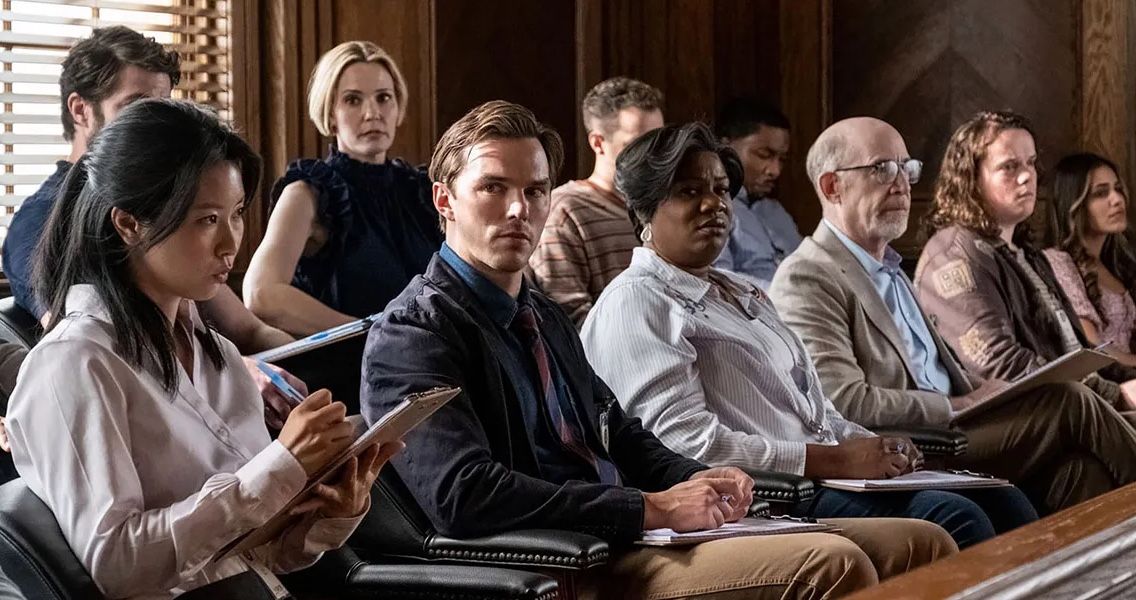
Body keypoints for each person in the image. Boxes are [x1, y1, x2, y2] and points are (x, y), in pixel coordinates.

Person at [362, 100, 956, 599]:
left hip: (626, 533)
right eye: (494, 188)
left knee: (923, 542)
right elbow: (465, 495)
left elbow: (622, 432)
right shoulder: (415, 334)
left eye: (536, 190)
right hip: (565, 560)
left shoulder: (539, 312)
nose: (520, 209)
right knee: (831, 563)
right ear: (445, 201)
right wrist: (649, 509)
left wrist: (707, 483)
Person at [6, 98, 399, 599]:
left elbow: (255, 553)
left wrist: (330, 514)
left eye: (235, 214)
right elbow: (117, 563)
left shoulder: (221, 358)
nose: (231, 243)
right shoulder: (76, 363)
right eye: (206, 220)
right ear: (129, 224)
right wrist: (277, 467)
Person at [582, 122, 1036, 548]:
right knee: (954, 517)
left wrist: (873, 446)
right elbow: (686, 447)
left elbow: (816, 413)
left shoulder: (740, 292)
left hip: (817, 480)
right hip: (762, 498)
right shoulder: (636, 302)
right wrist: (833, 460)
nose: (714, 205)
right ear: (644, 208)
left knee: (1006, 500)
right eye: (689, 192)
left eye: (721, 190)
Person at [768, 117, 1136, 514]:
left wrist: (990, 391)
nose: (902, 184)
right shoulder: (808, 275)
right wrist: (957, 404)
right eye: (882, 168)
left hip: (961, 425)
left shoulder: (890, 270)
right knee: (1069, 401)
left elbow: (940, 371)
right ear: (832, 186)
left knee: (1081, 473)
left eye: (907, 168)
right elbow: (844, 402)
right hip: (911, 444)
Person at [0, 25, 303, 430]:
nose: (159, 125)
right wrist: (237, 380)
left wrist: (309, 371)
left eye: (166, 107)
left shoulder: (178, 207)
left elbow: (248, 329)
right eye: (138, 106)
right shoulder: (43, 219)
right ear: (80, 110)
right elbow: (76, 335)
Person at [914, 110, 1136, 464]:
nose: (1027, 177)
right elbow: (1002, 366)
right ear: (971, 178)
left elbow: (1080, 352)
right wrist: (1117, 395)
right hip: (1021, 424)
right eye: (1009, 167)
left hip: (1079, 406)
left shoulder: (1027, 255)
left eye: (1031, 164)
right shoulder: (954, 254)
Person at [245, 40, 441, 337]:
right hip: (350, 367)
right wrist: (371, 333)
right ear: (330, 113)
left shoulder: (422, 191)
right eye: (353, 100)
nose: (372, 112)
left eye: (384, 97)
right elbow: (262, 294)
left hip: (431, 359)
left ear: (398, 107)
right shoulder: (310, 193)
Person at [529, 76, 664, 326]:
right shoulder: (565, 212)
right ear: (598, 142)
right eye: (637, 143)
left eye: (659, 142)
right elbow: (570, 322)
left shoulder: (662, 207)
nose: (653, 155)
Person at [1044, 152, 1136, 373]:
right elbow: (1089, 350)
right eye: (1101, 193)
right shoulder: (1058, 262)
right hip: (1103, 390)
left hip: (1135, 379)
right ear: (1074, 204)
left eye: (1118, 189)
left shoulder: (1112, 266)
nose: (1117, 199)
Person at [712, 97, 802, 288]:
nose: (775, 170)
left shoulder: (777, 212)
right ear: (726, 148)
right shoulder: (713, 208)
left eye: (782, 159)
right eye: (764, 155)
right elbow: (718, 278)